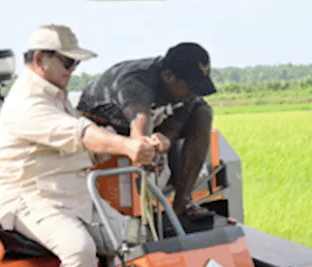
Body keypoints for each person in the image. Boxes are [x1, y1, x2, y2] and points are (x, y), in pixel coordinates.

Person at [0, 25, 162, 267]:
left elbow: (87, 128)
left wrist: (138, 141)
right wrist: (128, 146)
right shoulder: (26, 103)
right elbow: (79, 134)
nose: (73, 70)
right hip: (27, 198)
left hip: (71, 195)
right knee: (78, 249)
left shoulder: (55, 94)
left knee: (132, 237)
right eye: (67, 62)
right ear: (40, 59)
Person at [77, 42, 217, 218]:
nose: (194, 94)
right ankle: (140, 215)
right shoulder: (135, 81)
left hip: (150, 119)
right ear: (168, 77)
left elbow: (175, 123)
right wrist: (147, 150)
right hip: (105, 123)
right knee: (143, 152)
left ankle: (183, 203)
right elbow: (140, 122)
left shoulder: (186, 92)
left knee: (203, 112)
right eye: (190, 88)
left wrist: (164, 140)